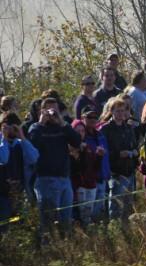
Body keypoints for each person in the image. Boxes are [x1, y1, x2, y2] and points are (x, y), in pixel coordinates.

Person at [27, 98, 82, 232]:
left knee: (66, 220)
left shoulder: (63, 127)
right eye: (49, 110)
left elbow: (76, 142)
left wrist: (62, 122)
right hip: (46, 179)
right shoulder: (36, 128)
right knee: (48, 220)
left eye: (55, 110)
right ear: (42, 111)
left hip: (64, 178)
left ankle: (65, 248)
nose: (52, 113)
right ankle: (47, 248)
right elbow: (33, 146)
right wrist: (41, 122)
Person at [100, 98, 139, 220]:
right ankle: (114, 227)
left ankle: (126, 231)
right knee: (115, 204)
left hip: (129, 171)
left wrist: (134, 152)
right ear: (111, 111)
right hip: (115, 172)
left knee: (128, 205)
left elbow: (135, 145)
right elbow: (103, 151)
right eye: (117, 111)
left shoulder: (128, 128)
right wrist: (118, 154)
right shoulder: (105, 129)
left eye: (123, 111)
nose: (121, 114)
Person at [0, 113, 38, 233]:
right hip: (2, 194)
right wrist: (4, 138)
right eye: (10, 127)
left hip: (19, 193)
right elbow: (3, 159)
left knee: (19, 227)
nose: (13, 130)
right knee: (4, 228)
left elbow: (34, 158)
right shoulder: (1, 144)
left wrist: (22, 137)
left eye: (15, 127)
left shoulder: (20, 144)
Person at [70, 114, 108, 226]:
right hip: (78, 186)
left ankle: (90, 237)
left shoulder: (88, 148)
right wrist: (77, 155)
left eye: (82, 131)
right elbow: (75, 169)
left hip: (91, 185)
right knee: (80, 216)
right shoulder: (70, 148)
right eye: (77, 131)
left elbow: (94, 168)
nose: (80, 133)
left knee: (88, 215)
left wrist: (99, 156)